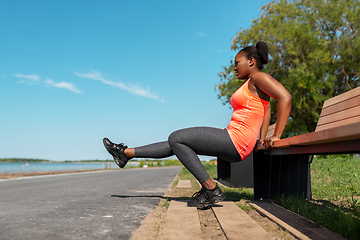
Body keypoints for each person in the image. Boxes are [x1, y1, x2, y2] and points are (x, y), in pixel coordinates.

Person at [103, 41, 292, 209]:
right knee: (176, 144)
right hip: (234, 140)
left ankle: (210, 189)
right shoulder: (251, 84)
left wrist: (276, 135)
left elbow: (285, 97)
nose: (234, 68)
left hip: (235, 141)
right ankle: (125, 153)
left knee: (176, 138)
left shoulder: (258, 77)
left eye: (237, 63)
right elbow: (265, 110)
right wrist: (260, 138)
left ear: (251, 61)